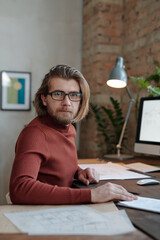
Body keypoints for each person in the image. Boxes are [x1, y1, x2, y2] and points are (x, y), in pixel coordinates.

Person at [9, 65, 137, 204]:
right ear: (44, 99)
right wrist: (90, 195)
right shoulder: (35, 134)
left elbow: (53, 165)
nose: (67, 102)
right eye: (58, 94)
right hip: (44, 213)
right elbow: (20, 189)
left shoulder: (68, 128)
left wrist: (78, 172)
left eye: (74, 95)